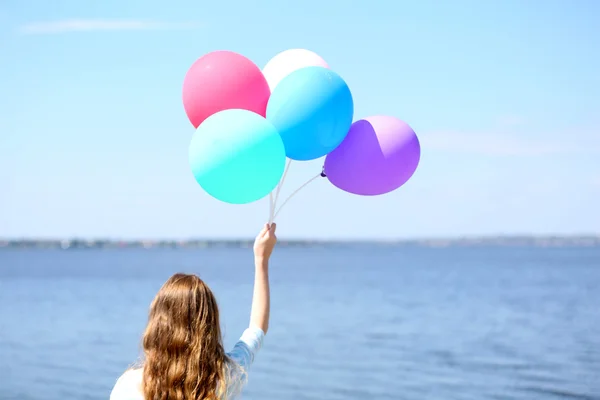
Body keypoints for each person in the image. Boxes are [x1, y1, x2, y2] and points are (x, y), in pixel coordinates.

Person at [109, 223, 277, 400]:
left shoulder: (129, 386)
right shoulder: (224, 377)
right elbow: (257, 329)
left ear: (158, 325)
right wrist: (261, 259)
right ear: (209, 326)